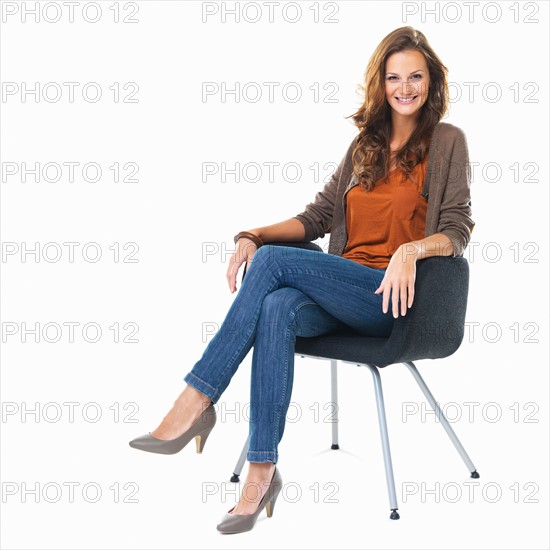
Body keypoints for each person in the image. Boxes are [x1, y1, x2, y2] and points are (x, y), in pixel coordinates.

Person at [129, 25, 475, 534]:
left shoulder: (448, 142)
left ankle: (196, 399)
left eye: (416, 76)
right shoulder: (365, 145)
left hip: (393, 301)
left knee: (272, 263)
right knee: (276, 305)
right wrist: (251, 232)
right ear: (380, 83)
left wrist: (411, 250)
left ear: (431, 81)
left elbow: (458, 227)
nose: (406, 87)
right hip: (342, 287)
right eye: (395, 77)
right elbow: (317, 218)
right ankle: (262, 471)